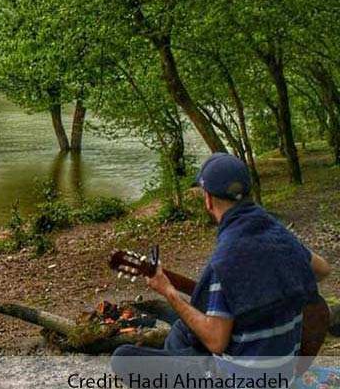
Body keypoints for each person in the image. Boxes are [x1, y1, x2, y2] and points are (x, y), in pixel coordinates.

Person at [111, 152, 331, 383]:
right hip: (284, 369)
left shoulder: (227, 259)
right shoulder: (281, 237)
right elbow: (323, 270)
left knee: (123, 357)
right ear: (247, 192)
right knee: (181, 331)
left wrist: (168, 291)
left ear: (208, 199)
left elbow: (216, 340)